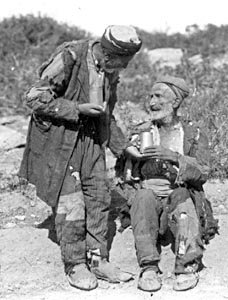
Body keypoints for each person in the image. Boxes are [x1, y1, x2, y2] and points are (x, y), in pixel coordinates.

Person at [19, 25, 142, 291]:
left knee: (99, 197)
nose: (121, 70)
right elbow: (33, 98)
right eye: (120, 64)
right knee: (71, 203)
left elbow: (108, 114)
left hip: (91, 139)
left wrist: (123, 149)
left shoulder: (109, 72)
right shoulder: (70, 57)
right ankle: (75, 264)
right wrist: (78, 108)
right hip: (60, 139)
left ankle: (98, 260)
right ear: (107, 56)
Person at [117, 75, 218, 292]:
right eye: (150, 96)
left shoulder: (193, 133)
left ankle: (186, 265)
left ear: (175, 102)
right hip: (149, 201)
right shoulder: (141, 132)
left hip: (179, 198)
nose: (152, 102)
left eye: (158, 96)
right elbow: (123, 176)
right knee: (142, 196)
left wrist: (173, 157)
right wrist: (130, 158)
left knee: (181, 196)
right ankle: (149, 267)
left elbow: (203, 172)